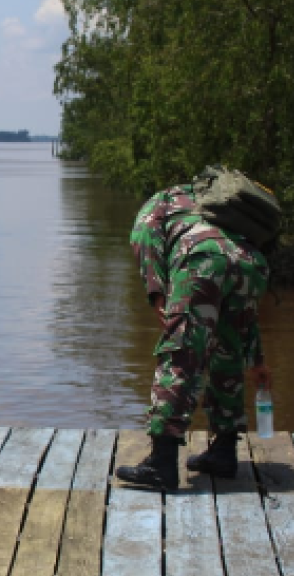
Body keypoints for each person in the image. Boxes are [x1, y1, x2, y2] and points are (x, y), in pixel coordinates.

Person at [116, 180, 272, 490]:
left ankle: (161, 463)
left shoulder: (162, 201)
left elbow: (144, 238)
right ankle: (224, 454)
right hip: (251, 263)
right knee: (229, 350)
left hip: (203, 260)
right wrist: (257, 360)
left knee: (181, 354)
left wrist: (156, 292)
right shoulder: (220, 204)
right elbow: (245, 324)